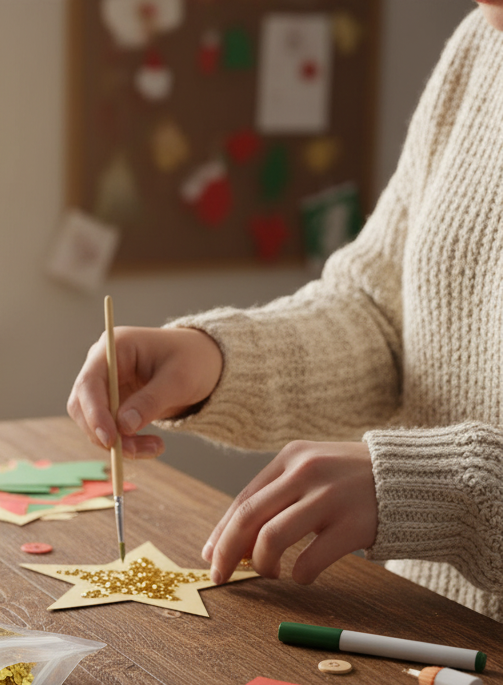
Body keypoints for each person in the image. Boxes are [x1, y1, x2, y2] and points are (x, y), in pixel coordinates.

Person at [68, 4, 503, 622]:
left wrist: (431, 488)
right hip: (426, 628)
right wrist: (215, 360)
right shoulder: (481, 46)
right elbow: (380, 316)